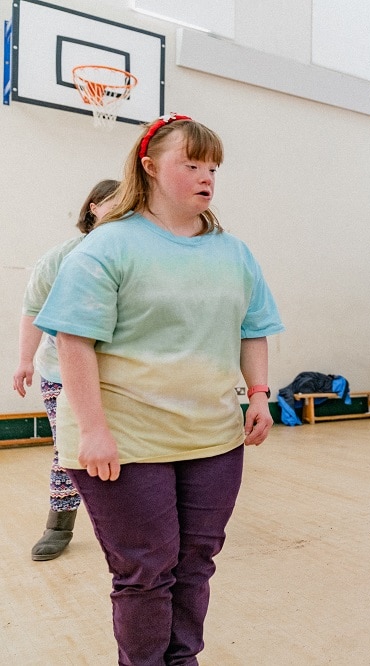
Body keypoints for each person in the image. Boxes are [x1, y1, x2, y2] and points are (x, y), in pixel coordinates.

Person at [33, 113, 284, 664]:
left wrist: (259, 393)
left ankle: (182, 659)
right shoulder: (108, 246)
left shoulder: (233, 252)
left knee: (196, 560)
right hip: (124, 439)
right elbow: (74, 342)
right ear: (148, 167)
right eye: (190, 163)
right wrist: (93, 430)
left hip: (213, 438)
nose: (206, 176)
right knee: (146, 569)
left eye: (213, 166)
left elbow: (253, 327)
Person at [12, 179, 119, 561]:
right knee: (68, 449)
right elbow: (33, 310)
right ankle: (59, 524)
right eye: (114, 202)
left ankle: (127, 525)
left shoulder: (135, 254)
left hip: (120, 377)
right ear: (93, 208)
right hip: (62, 371)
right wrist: (24, 361)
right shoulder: (60, 257)